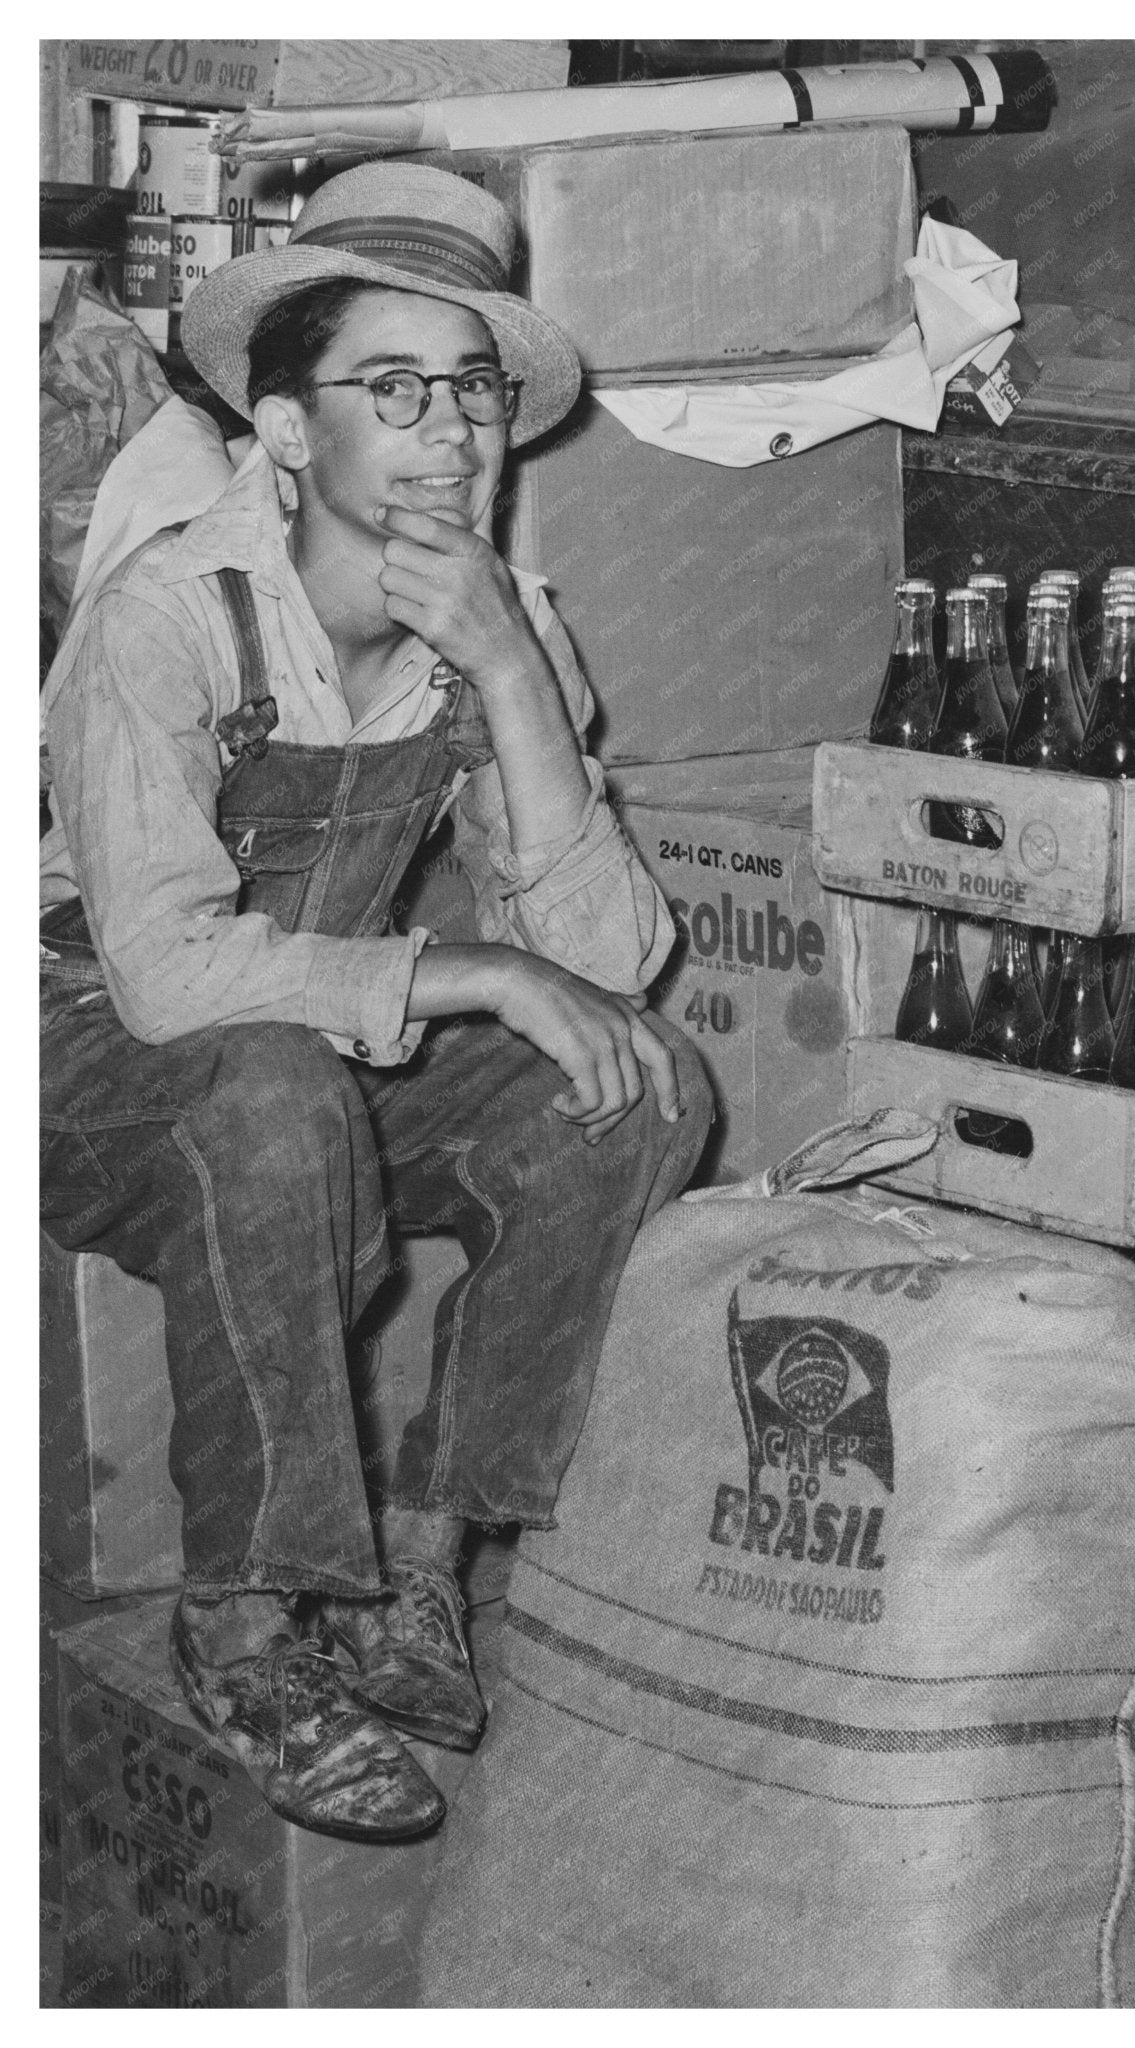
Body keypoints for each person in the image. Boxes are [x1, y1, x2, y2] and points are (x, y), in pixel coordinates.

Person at [38, 164, 712, 1842]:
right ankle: (246, 1621)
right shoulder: (167, 615)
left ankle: (424, 1562)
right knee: (266, 1084)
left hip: (309, 1052)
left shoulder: (500, 622)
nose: (450, 432)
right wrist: (471, 967)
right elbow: (167, 977)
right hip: (82, 1059)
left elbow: (611, 962)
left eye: (473, 390)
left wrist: (508, 670)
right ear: (285, 428)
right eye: (392, 389)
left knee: (636, 1083)